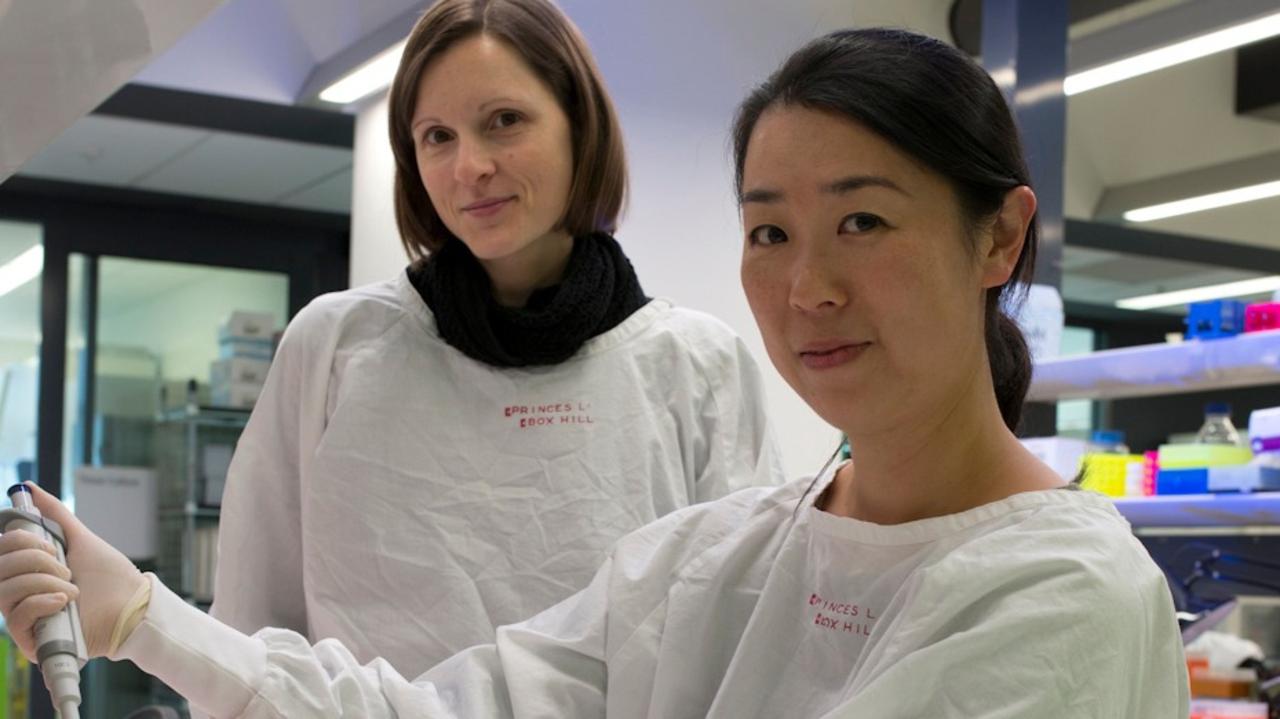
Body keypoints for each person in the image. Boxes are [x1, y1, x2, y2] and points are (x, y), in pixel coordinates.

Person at [0, 27, 1188, 717]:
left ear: (998, 236)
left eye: (863, 222)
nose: (808, 287)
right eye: (769, 231)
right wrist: (147, 616)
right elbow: (442, 706)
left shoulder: (1056, 593)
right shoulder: (718, 556)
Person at [202, 0, 780, 680]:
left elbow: (747, 641)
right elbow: (249, 630)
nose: (468, 166)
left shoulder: (696, 366)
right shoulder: (335, 347)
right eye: (437, 136)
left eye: (503, 121)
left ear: (579, 126)